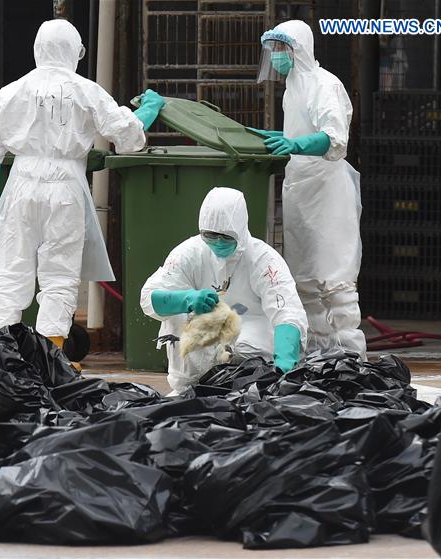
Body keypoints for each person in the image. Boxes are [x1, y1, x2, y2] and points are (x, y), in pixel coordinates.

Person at [0, 18, 164, 352]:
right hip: (66, 188)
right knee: (59, 275)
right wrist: (149, 109)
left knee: (8, 272)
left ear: (36, 49)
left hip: (20, 185)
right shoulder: (85, 90)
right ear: (75, 52)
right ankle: (52, 355)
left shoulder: (13, 90)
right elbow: (127, 136)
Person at [253, 20, 367, 358]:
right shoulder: (293, 87)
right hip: (300, 190)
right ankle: (319, 351)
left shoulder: (323, 84)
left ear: (297, 49)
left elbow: (335, 139)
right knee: (305, 279)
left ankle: (350, 354)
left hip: (327, 190)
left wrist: (295, 144)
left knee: (335, 278)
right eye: (271, 51)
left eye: (279, 50)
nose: (274, 58)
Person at [140, 187, 308, 395]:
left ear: (240, 229)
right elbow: (149, 298)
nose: (218, 242)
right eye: (210, 235)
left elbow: (287, 311)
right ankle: (188, 388)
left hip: (252, 356)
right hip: (198, 355)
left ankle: (252, 386)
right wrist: (186, 299)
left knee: (246, 346)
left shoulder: (264, 260)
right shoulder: (188, 253)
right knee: (179, 320)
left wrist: (284, 363)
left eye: (227, 237)